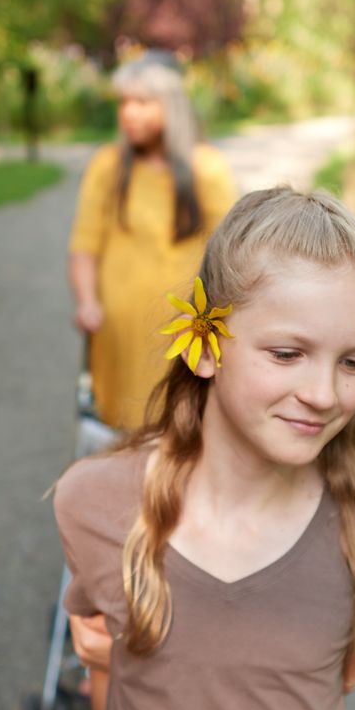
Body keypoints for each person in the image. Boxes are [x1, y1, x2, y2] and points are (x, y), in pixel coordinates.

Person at [55, 187, 355, 710]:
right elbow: (100, 661)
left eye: (353, 362)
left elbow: (327, 687)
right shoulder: (96, 502)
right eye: (286, 353)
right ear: (204, 344)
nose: (323, 394)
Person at [67, 49, 237, 431]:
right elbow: (84, 247)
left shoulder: (207, 168)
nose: (129, 112)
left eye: (142, 103)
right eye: (125, 102)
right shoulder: (107, 166)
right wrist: (87, 301)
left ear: (170, 107)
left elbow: (230, 251)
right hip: (118, 334)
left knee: (178, 428)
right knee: (123, 430)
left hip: (184, 332)